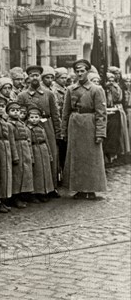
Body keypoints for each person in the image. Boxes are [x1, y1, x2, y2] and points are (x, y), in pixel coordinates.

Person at [62, 59, 108, 200]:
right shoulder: (70, 89)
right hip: (75, 125)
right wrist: (64, 131)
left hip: (90, 125)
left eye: (82, 71)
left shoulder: (96, 89)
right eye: (77, 71)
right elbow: (65, 112)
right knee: (76, 158)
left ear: (88, 71)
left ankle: (92, 189)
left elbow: (101, 113)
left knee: (91, 158)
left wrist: (100, 132)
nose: (80, 73)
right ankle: (79, 189)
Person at [17, 65, 61, 196]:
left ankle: (52, 187)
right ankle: (36, 190)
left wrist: (58, 131)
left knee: (51, 155)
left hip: (47, 126)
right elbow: (20, 114)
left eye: (36, 75)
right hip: (30, 128)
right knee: (35, 156)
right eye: (31, 76)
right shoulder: (22, 95)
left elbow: (55, 113)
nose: (34, 78)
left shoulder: (48, 94)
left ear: (40, 77)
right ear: (28, 78)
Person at [0, 96, 18, 212]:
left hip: (5, 148)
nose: (1, 109)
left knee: (6, 174)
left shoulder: (4, 120)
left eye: (2, 107)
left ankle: (4, 199)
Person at [6, 102, 33, 207]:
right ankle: (15, 198)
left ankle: (23, 195)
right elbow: (11, 141)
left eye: (17, 110)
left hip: (24, 149)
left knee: (24, 174)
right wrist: (15, 155)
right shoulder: (9, 125)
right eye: (13, 110)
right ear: (8, 112)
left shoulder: (21, 123)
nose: (16, 113)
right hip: (17, 149)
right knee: (17, 175)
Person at [26, 105, 54, 202]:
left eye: (36, 117)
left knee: (45, 172)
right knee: (37, 173)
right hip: (35, 150)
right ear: (28, 118)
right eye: (32, 117)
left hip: (43, 150)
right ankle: (36, 193)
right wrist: (31, 157)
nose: (34, 120)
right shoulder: (28, 129)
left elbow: (46, 141)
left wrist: (49, 154)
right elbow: (28, 143)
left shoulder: (42, 129)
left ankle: (45, 191)